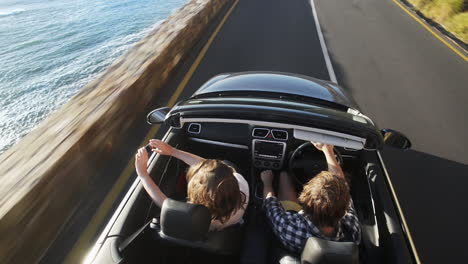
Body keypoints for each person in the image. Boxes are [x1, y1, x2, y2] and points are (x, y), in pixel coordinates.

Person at [260, 142, 361, 253]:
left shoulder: (289, 227)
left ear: (304, 201)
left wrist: (267, 182)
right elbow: (342, 185)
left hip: (295, 231)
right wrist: (328, 150)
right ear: (343, 209)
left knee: (284, 175)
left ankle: (284, 173)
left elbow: (270, 205)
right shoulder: (352, 232)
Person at [135, 139, 249, 231]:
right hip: (235, 220)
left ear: (195, 197)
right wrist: (172, 151)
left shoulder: (198, 219)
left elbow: (164, 203)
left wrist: (143, 174)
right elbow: (208, 168)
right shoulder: (240, 182)